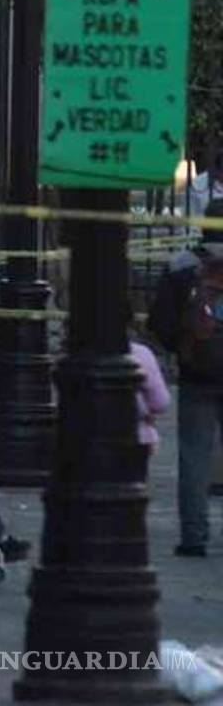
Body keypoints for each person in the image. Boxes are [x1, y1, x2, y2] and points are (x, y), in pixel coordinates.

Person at [147, 200, 223, 557]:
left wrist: (182, 349)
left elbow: (159, 322)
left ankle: (194, 535)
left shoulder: (182, 266)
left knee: (194, 455)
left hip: (197, 374)